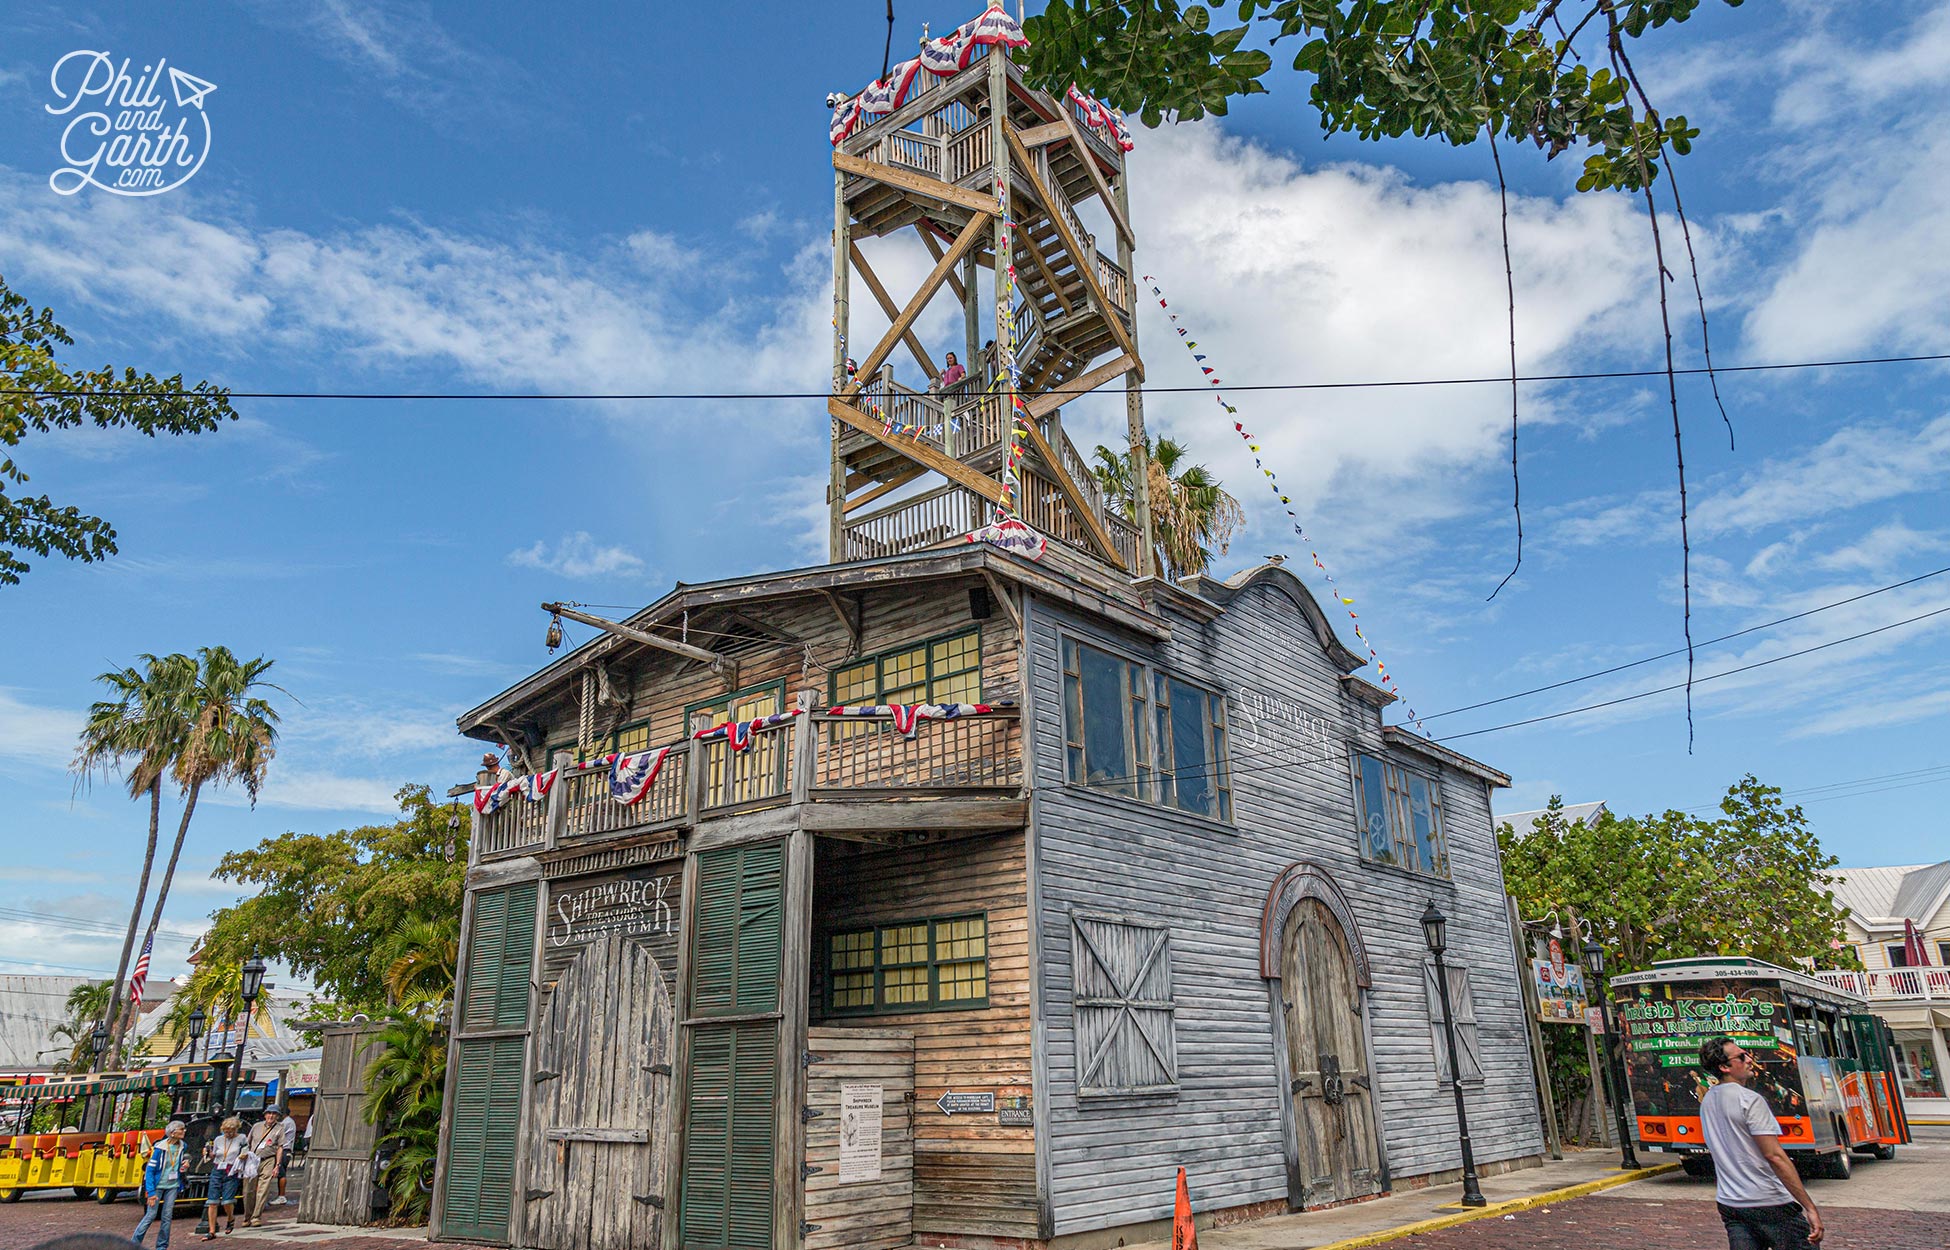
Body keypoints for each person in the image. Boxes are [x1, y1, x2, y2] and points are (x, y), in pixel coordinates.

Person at [1697, 1036, 1824, 1249]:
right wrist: (1809, 1206)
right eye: (1741, 1056)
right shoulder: (1750, 1100)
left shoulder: (1708, 1100)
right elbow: (1774, 1156)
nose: (1749, 1059)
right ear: (1724, 1067)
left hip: (1731, 1203)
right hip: (1768, 1201)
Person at [131, 1120, 192, 1249]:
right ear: (173, 1133)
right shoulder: (160, 1149)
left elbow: (183, 1159)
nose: (184, 1131)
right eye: (181, 1129)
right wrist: (151, 1192)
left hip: (173, 1186)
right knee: (151, 1215)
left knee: (167, 1216)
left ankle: (162, 1246)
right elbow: (150, 1170)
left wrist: (185, 1163)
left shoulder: (183, 1146)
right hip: (158, 1185)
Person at [201, 1115, 247, 1238]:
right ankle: (211, 1231)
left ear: (236, 1129)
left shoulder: (242, 1138)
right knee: (212, 1201)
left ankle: (230, 1219)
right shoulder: (218, 1139)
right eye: (226, 1131)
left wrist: (243, 1155)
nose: (228, 1134)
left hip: (231, 1170)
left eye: (231, 1131)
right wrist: (208, 1154)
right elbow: (214, 1155)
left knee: (227, 1201)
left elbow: (245, 1151)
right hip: (217, 1169)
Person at [241, 1108, 284, 1227]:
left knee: (263, 1189)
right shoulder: (256, 1126)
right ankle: (247, 1216)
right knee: (248, 1190)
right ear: (265, 1115)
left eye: (274, 1114)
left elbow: (280, 1147)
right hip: (253, 1159)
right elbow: (247, 1143)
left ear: (277, 1116)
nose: (271, 1116)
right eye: (269, 1113)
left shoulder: (279, 1129)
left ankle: (256, 1216)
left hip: (268, 1159)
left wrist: (277, 1165)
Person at [270, 1106, 298, 1204]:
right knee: (281, 1173)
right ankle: (280, 1195)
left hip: (284, 1150)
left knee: (281, 1173)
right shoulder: (288, 1122)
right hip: (285, 1150)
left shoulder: (286, 1123)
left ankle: (281, 1196)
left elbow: (275, 1134)